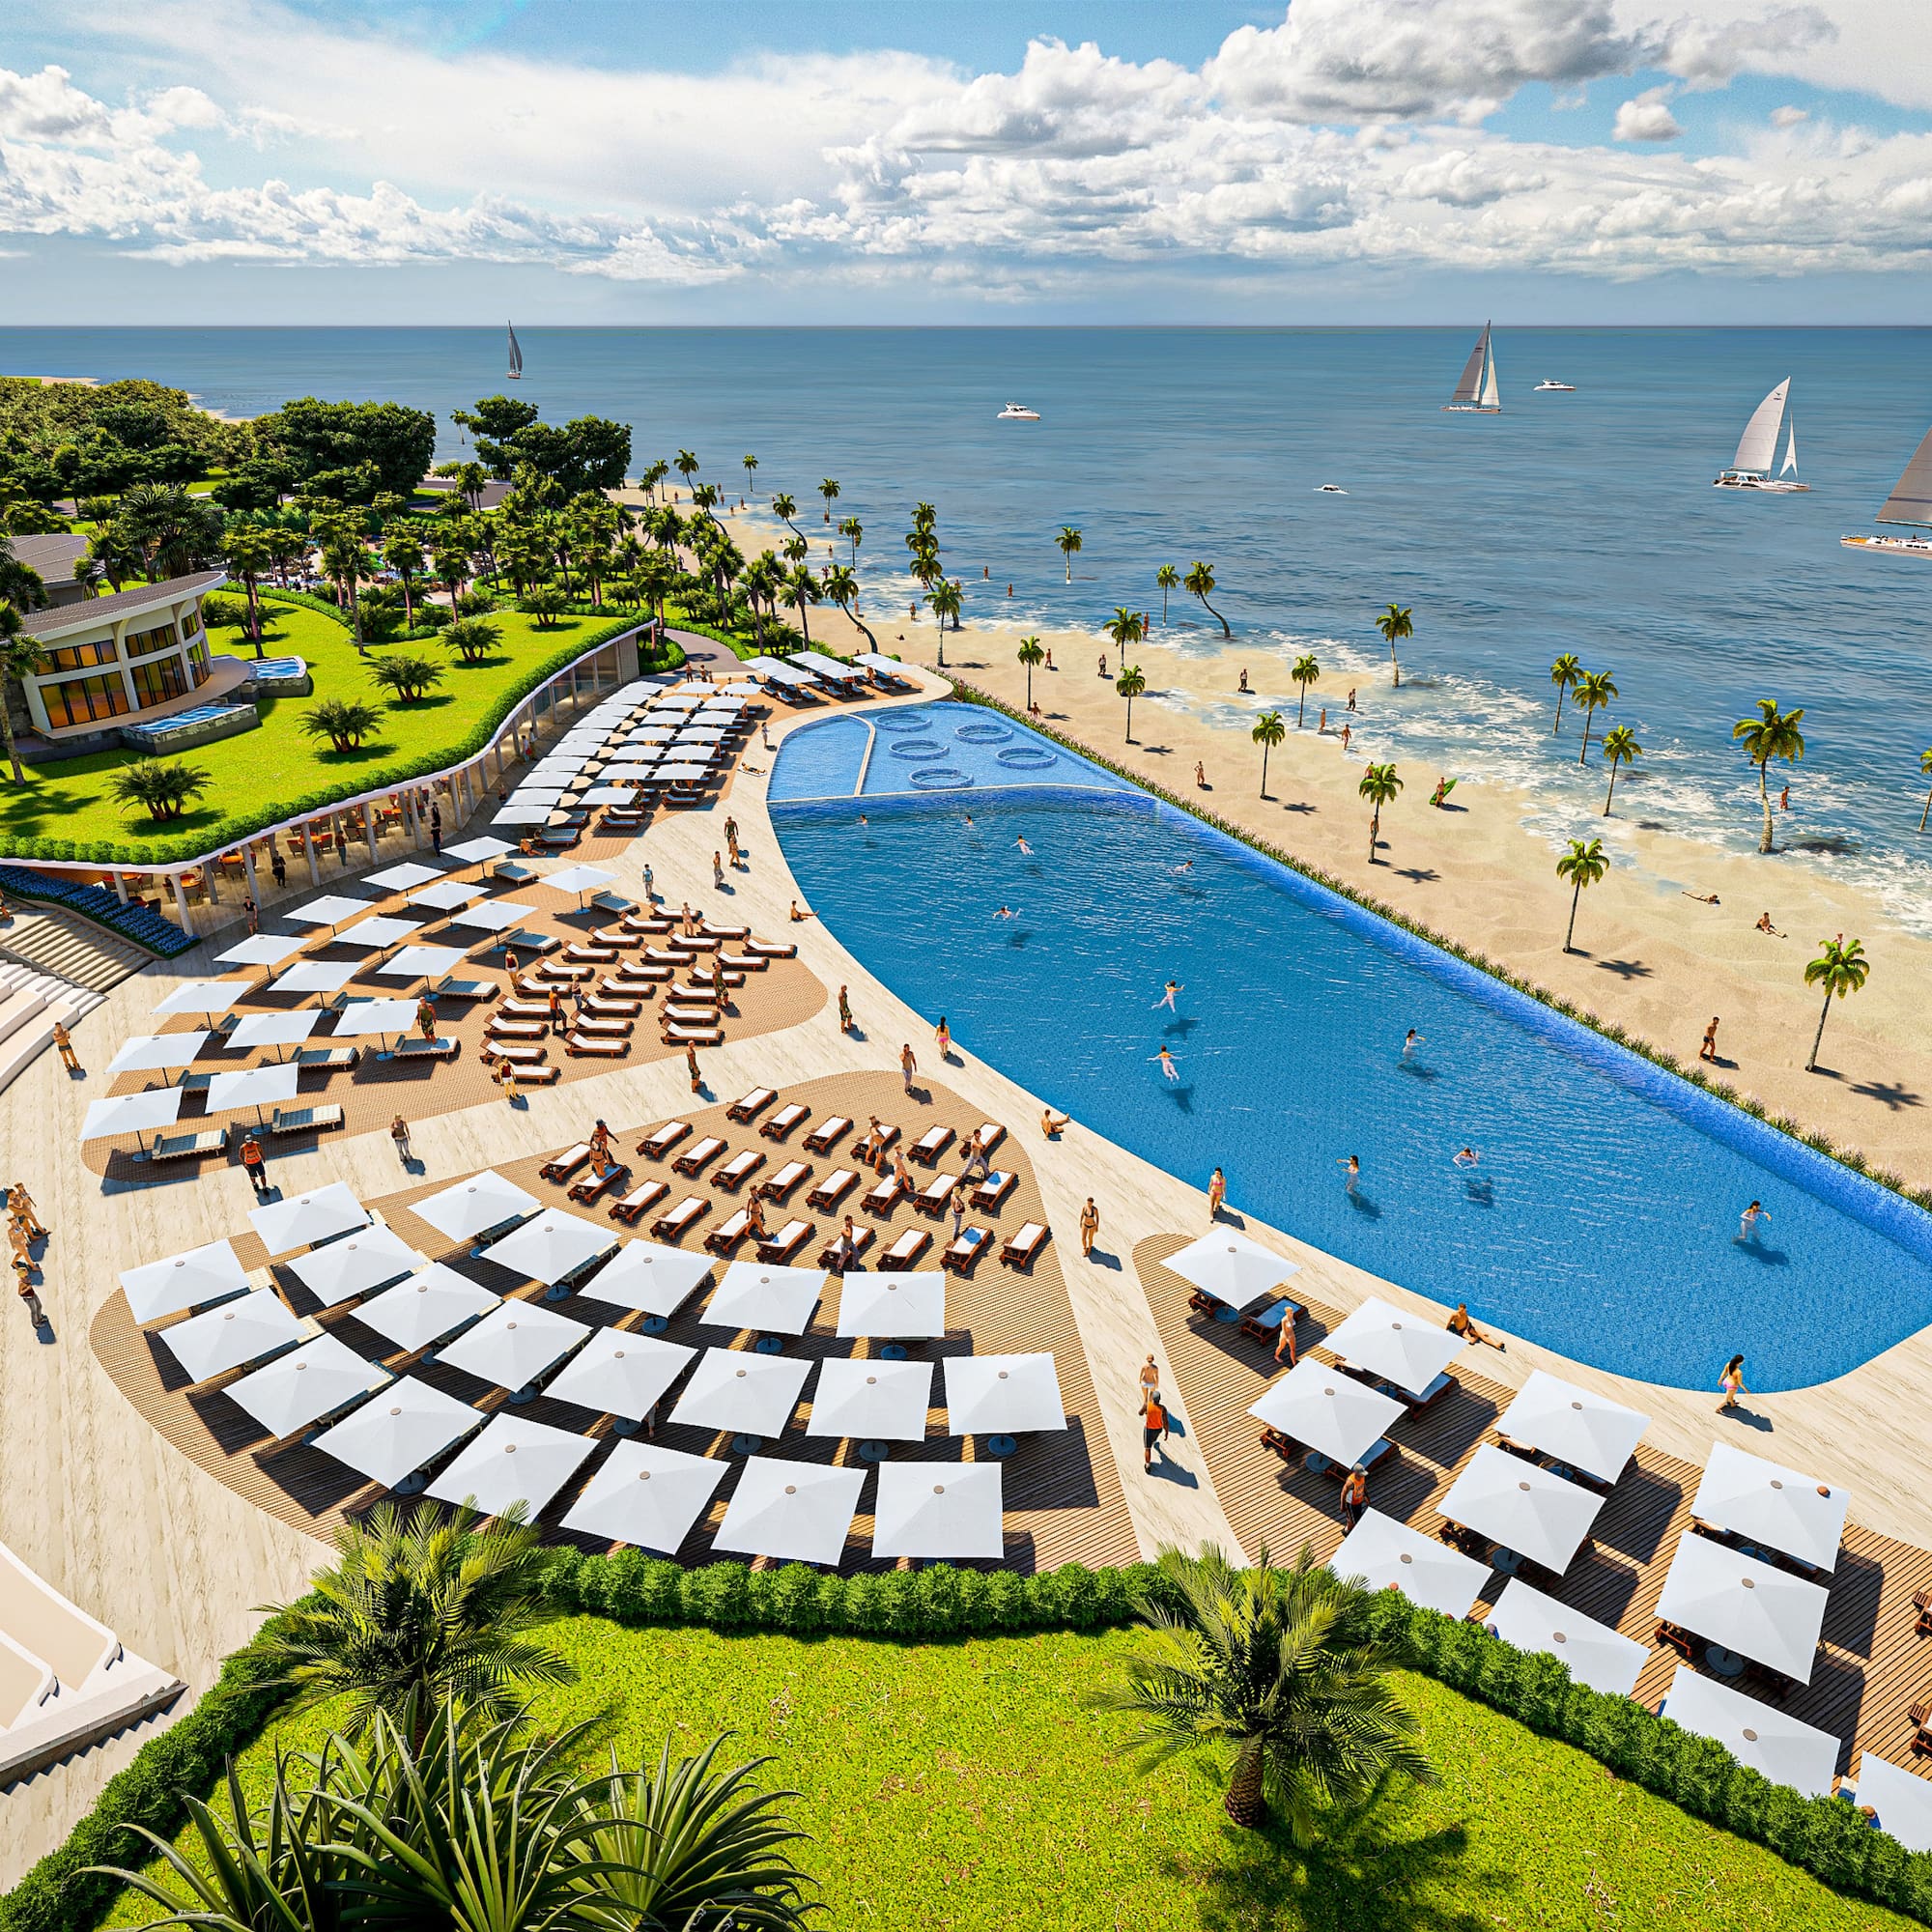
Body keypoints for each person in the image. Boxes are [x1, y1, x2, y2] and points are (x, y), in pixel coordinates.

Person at [1142, 1389, 1169, 1470]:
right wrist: (1166, 1432)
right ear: (1159, 1400)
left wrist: (1146, 1411)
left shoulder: (1147, 1405)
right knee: (1153, 1440)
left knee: (1147, 1448)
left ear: (1152, 1399)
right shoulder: (1163, 1408)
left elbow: (1140, 1413)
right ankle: (1153, 1442)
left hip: (1148, 1429)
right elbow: (1165, 1422)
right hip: (1158, 1429)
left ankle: (1147, 1466)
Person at [239, 1131, 270, 1198]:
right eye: (248, 1142)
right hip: (249, 1164)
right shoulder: (243, 1148)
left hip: (258, 1162)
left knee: (262, 1175)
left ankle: (264, 1187)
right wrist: (244, 1164)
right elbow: (240, 1156)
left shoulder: (256, 1144)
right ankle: (254, 1184)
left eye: (250, 1141)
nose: (249, 1143)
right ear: (245, 1141)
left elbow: (261, 1150)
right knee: (252, 1176)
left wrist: (263, 1158)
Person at [1339, 1462, 1368, 1528]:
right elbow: (1343, 1493)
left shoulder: (1362, 1477)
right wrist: (1342, 1506)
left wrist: (1366, 1496)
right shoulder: (1350, 1482)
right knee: (1352, 1520)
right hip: (1351, 1504)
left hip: (1359, 1501)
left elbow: (1363, 1485)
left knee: (1358, 1517)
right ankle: (1347, 1530)